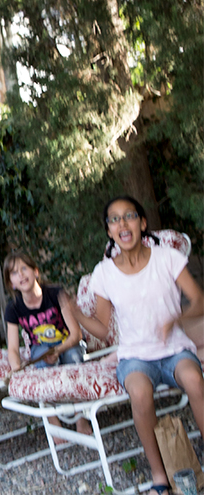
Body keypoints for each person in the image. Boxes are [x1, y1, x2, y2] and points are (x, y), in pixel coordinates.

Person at [70, 196, 204, 495]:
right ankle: (159, 477)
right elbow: (104, 330)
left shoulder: (167, 257)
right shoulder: (104, 272)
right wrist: (77, 314)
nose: (122, 223)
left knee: (195, 379)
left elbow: (199, 301)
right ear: (109, 231)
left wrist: (176, 318)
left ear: (142, 223)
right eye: (114, 219)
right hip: (134, 358)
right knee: (140, 393)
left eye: (129, 215)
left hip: (175, 350)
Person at [3, 250, 92, 434]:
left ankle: (81, 418)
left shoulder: (56, 294)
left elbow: (76, 335)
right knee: (42, 355)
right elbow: (12, 348)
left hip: (67, 344)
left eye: (24, 268)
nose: (20, 275)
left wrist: (57, 351)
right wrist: (16, 369)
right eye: (14, 272)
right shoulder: (13, 308)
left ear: (36, 272)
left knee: (73, 355)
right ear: (11, 283)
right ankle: (52, 418)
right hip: (41, 349)